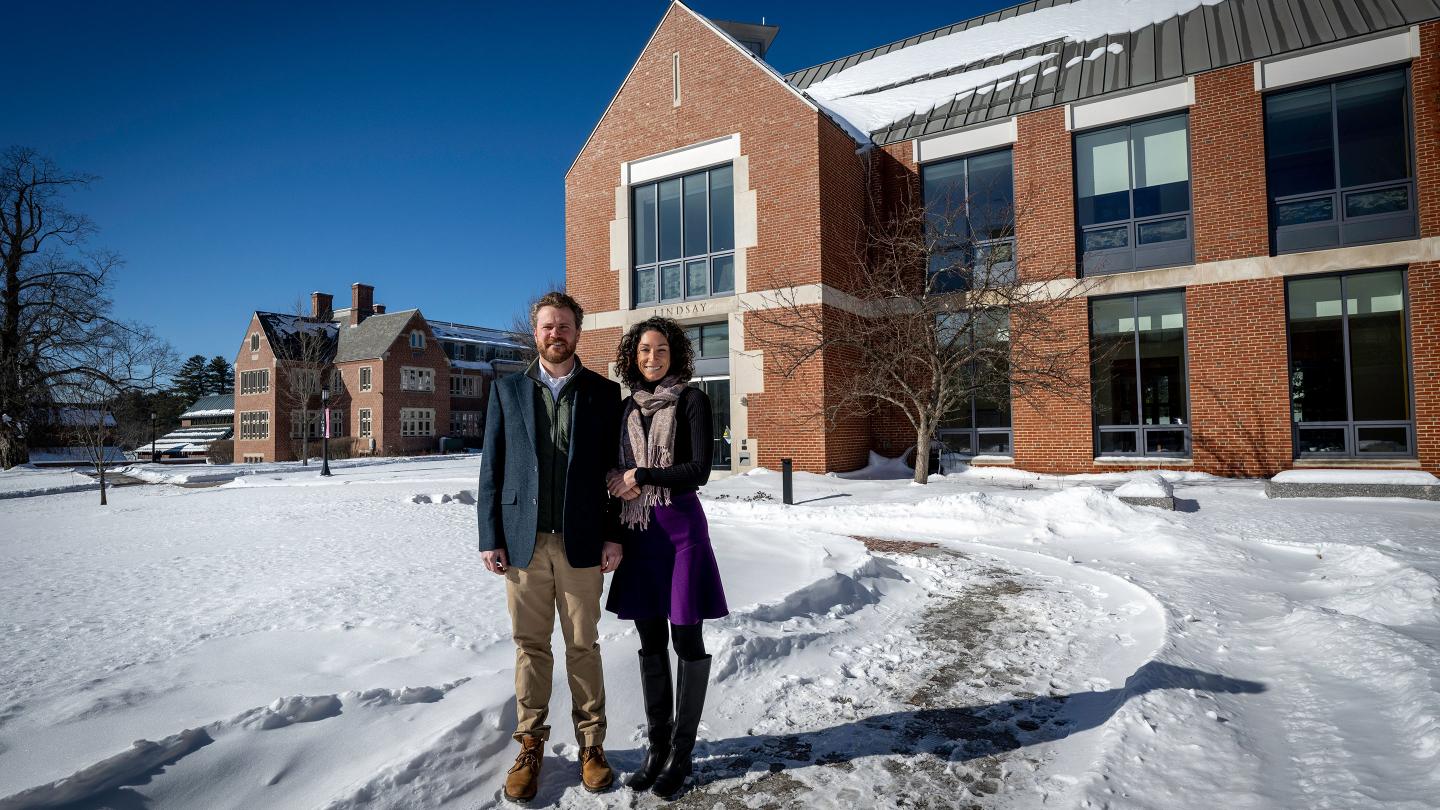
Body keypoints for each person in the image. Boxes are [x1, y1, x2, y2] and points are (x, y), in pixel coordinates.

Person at [477, 291, 624, 803]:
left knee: (583, 646)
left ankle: (592, 746)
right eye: (547, 326)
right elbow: (491, 468)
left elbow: (615, 474)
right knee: (530, 647)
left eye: (564, 326)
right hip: (523, 542)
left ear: (577, 333)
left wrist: (613, 535)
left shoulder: (605, 395)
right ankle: (531, 744)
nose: (555, 334)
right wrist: (489, 535)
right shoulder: (507, 390)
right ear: (535, 333)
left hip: (582, 542)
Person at [604, 316, 729, 799]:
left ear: (674, 353)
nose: (651, 358)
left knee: (686, 640)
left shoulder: (692, 400)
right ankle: (656, 749)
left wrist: (641, 475)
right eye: (642, 351)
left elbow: (699, 470)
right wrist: (618, 512)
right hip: (640, 534)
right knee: (650, 642)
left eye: (659, 350)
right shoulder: (625, 409)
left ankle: (682, 753)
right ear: (632, 358)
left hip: (680, 534)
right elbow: (616, 477)